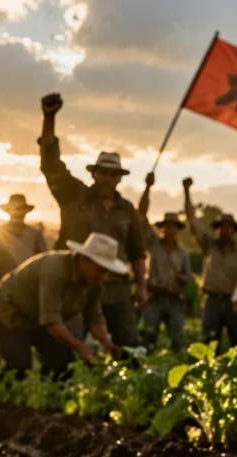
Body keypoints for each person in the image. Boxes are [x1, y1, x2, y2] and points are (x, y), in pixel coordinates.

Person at [39, 92, 147, 347]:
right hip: (76, 285)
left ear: (119, 178)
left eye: (112, 174)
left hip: (117, 286)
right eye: (102, 172)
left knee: (128, 344)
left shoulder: (127, 210)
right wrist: (49, 118)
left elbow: (137, 251)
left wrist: (141, 286)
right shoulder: (73, 196)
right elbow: (50, 164)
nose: (106, 178)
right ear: (94, 173)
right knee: (69, 345)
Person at [0, 232, 123, 379]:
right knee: (19, 367)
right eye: (101, 270)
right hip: (12, 308)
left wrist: (106, 344)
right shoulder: (55, 271)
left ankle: (46, 397)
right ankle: (4, 396)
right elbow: (51, 321)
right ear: (85, 260)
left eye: (107, 271)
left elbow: (94, 317)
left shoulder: (95, 283)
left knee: (63, 364)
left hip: (40, 314)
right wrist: (81, 347)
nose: (104, 276)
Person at [0, 194, 48, 362]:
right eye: (15, 210)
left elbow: (44, 260)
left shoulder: (34, 234)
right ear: (9, 212)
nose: (18, 214)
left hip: (28, 292)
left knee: (33, 330)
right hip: (1, 289)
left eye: (21, 210)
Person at [183, 178, 237, 347]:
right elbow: (192, 219)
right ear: (216, 230)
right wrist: (186, 191)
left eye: (228, 228)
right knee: (208, 341)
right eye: (221, 227)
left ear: (234, 231)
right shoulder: (209, 245)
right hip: (211, 300)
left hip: (233, 301)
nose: (224, 231)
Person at [142, 212, 193, 352]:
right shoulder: (154, 245)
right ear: (162, 229)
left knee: (177, 338)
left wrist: (180, 278)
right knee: (149, 336)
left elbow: (188, 277)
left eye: (173, 227)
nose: (170, 230)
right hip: (155, 297)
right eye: (167, 227)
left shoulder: (183, 253)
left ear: (178, 230)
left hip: (174, 299)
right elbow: (142, 219)